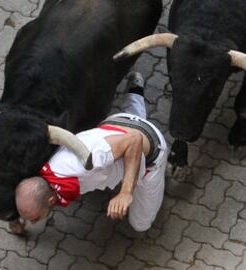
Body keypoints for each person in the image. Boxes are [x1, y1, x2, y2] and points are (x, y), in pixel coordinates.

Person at [10, 72, 168, 234]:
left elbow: (134, 140)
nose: (34, 222)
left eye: (34, 218)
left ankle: (160, 170)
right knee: (132, 120)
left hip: (149, 147)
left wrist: (125, 192)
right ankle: (135, 89)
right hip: (115, 123)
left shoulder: (84, 165)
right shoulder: (49, 174)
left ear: (51, 200)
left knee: (141, 224)